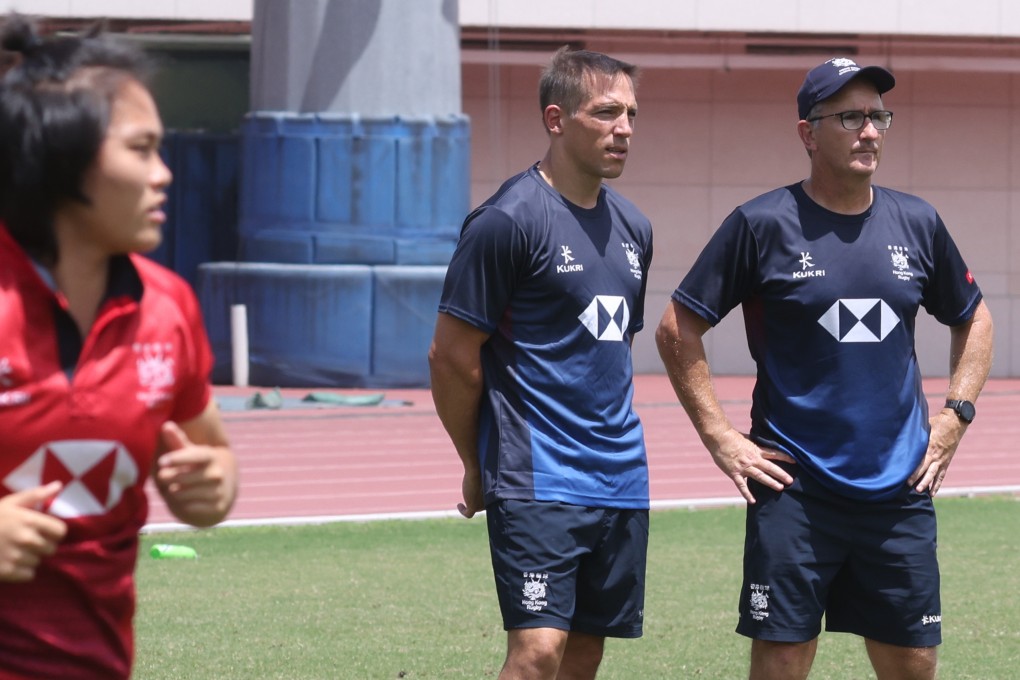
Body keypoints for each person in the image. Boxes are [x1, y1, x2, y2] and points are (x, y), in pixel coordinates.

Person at [655, 56, 994, 679]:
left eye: (878, 117)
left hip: (899, 490)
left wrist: (954, 417)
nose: (869, 131)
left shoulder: (916, 222)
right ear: (808, 132)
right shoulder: (761, 224)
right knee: (783, 660)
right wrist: (719, 436)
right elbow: (678, 327)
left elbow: (975, 319)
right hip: (795, 490)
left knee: (914, 665)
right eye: (850, 118)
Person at [0, 16, 239, 679]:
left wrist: (213, 487)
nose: (164, 174)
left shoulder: (168, 307)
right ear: (62, 161)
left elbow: (211, 452)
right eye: (140, 150)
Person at [428, 46, 652, 679]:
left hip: (620, 478)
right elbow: (449, 356)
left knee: (584, 652)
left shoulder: (635, 227)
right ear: (556, 120)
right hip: (537, 477)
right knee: (537, 653)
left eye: (632, 113)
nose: (625, 129)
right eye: (606, 112)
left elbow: (611, 356)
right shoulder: (506, 221)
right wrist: (476, 461)